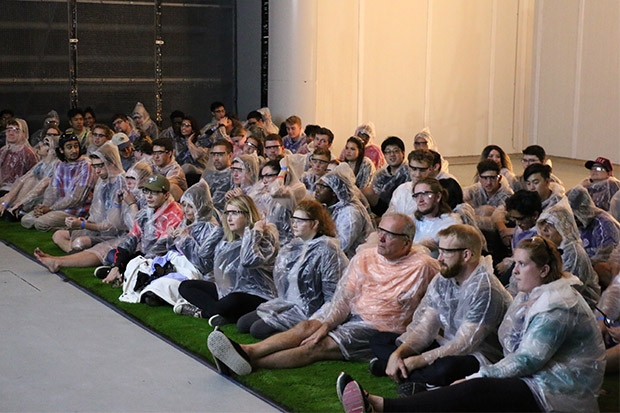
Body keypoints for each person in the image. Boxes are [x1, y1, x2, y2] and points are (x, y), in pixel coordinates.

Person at [339, 236, 605, 413]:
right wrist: (402, 353)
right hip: (533, 375)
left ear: (544, 271)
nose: (514, 271)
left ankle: (381, 406)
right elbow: (424, 324)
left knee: (473, 387)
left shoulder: (557, 304)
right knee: (387, 339)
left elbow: (525, 360)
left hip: (555, 389)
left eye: (522, 265)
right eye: (515, 263)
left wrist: (477, 376)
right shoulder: (534, 294)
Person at [207, 213, 439, 375]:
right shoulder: (365, 257)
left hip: (380, 328)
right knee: (306, 328)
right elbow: (342, 298)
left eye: (389, 235)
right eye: (380, 231)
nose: (381, 238)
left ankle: (250, 362)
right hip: (351, 314)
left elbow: (437, 306)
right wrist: (326, 323)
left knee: (316, 348)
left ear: (407, 242)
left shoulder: (425, 266)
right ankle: (246, 351)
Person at [366, 224, 511, 396]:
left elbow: (464, 345)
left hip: (480, 355)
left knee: (446, 368)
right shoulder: (445, 277)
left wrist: (416, 361)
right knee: (380, 339)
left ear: (466, 255)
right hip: (448, 345)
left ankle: (401, 372)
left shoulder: (486, 289)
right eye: (439, 251)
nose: (439, 258)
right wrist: (398, 354)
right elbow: (425, 328)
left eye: (446, 252)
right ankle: (410, 373)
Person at [237, 199, 349, 339]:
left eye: (300, 221)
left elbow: (332, 296)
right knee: (242, 324)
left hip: (309, 311)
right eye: (293, 219)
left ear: (314, 224)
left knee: (258, 330)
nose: (294, 224)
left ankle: (298, 335)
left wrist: (316, 321)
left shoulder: (328, 250)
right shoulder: (294, 246)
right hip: (288, 304)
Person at [175, 195, 278, 326]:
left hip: (258, 296)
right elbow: (203, 254)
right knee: (186, 286)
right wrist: (220, 228)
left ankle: (204, 313)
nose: (229, 218)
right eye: (227, 213)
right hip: (228, 292)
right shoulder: (228, 240)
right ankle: (219, 313)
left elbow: (248, 260)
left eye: (234, 213)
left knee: (233, 300)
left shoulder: (264, 236)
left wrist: (255, 232)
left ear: (248, 215)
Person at [33, 162, 152, 274]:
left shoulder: (148, 198)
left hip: (138, 241)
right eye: (128, 178)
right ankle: (66, 258)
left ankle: (59, 261)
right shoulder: (125, 193)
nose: (129, 182)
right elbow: (115, 223)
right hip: (117, 233)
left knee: (100, 249)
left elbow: (140, 230)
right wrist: (117, 203)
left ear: (143, 180)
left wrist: (132, 205)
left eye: (133, 178)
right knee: (59, 235)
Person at [118, 180, 224, 306]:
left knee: (164, 284)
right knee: (137, 264)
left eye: (191, 206)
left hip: (192, 271)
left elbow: (204, 264)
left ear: (201, 207)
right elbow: (170, 249)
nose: (186, 210)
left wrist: (186, 239)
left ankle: (151, 290)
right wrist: (171, 238)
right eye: (184, 205)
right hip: (173, 264)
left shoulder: (211, 228)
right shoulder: (186, 223)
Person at [101, 174, 184, 284]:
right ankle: (118, 271)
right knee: (114, 254)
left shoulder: (177, 213)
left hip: (165, 259)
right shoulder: (146, 212)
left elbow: (160, 248)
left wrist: (136, 267)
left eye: (154, 192)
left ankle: (125, 273)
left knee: (158, 267)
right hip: (145, 255)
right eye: (146, 191)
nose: (148, 196)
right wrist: (117, 265)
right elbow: (131, 238)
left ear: (166, 195)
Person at [50, 142, 126, 253]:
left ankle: (78, 255)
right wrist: (84, 222)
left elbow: (113, 226)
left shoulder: (122, 183)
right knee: (58, 235)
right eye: (94, 166)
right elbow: (97, 214)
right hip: (98, 228)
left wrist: (83, 225)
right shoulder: (102, 181)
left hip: (116, 234)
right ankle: (78, 254)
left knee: (79, 242)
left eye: (100, 165)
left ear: (112, 162)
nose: (97, 171)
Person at [21, 132, 96, 232]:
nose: (74, 150)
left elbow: (77, 198)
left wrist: (51, 209)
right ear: (61, 150)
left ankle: (76, 226)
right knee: (26, 220)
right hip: (57, 207)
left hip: (76, 210)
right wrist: (44, 206)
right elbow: (52, 190)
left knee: (40, 224)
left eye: (76, 146)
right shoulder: (59, 164)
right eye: (69, 147)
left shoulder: (86, 165)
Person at [533, 203, 601, 308]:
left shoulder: (574, 253)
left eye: (550, 226)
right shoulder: (549, 250)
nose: (544, 230)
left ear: (564, 229)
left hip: (579, 307)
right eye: (542, 226)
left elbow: (566, 291)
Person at [0, 125, 60, 220]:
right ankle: (10, 207)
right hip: (18, 194)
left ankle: (16, 209)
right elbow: (21, 180)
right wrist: (5, 202)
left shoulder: (57, 165)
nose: (39, 144)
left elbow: (41, 187)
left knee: (32, 180)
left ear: (52, 150)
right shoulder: (42, 163)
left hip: (44, 200)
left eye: (45, 144)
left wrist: (18, 204)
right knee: (28, 180)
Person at [567, 185, 620, 288]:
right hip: (587, 268)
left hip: (607, 272)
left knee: (600, 267)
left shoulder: (604, 223)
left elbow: (606, 256)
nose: (573, 219)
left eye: (575, 215)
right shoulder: (577, 225)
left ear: (583, 210)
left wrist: (584, 265)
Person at [315, 166, 374, 258]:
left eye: (322, 187)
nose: (317, 190)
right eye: (317, 185)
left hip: (353, 260)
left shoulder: (350, 214)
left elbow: (341, 247)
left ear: (335, 191)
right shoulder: (329, 207)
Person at [248, 158, 306, 245]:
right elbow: (250, 198)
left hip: (290, 243)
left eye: (268, 176)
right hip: (272, 241)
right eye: (262, 176)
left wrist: (283, 170)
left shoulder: (297, 189)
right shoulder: (266, 193)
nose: (264, 181)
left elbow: (275, 191)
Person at [410, 178, 461, 254]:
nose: (420, 200)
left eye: (425, 194)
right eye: (416, 195)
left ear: (438, 197)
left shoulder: (451, 223)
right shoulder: (411, 221)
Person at [363, 136, 409, 216]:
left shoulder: (409, 171)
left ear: (403, 153)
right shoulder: (381, 174)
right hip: (384, 208)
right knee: (366, 192)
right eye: (388, 152)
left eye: (396, 151)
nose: (392, 155)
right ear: (384, 155)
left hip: (404, 208)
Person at [386, 149, 437, 218]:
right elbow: (390, 216)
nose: (417, 174)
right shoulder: (401, 190)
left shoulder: (436, 192)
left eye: (422, 170)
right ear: (409, 167)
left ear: (430, 169)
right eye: (414, 169)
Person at [0, 118, 38, 196]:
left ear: (23, 134)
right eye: (9, 130)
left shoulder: (28, 154)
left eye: (16, 131)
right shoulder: (2, 151)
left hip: (19, 194)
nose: (11, 133)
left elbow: (34, 178)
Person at [201, 139, 234, 212]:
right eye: (214, 154)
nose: (216, 158)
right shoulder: (207, 173)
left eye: (220, 154)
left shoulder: (234, 174)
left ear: (230, 155)